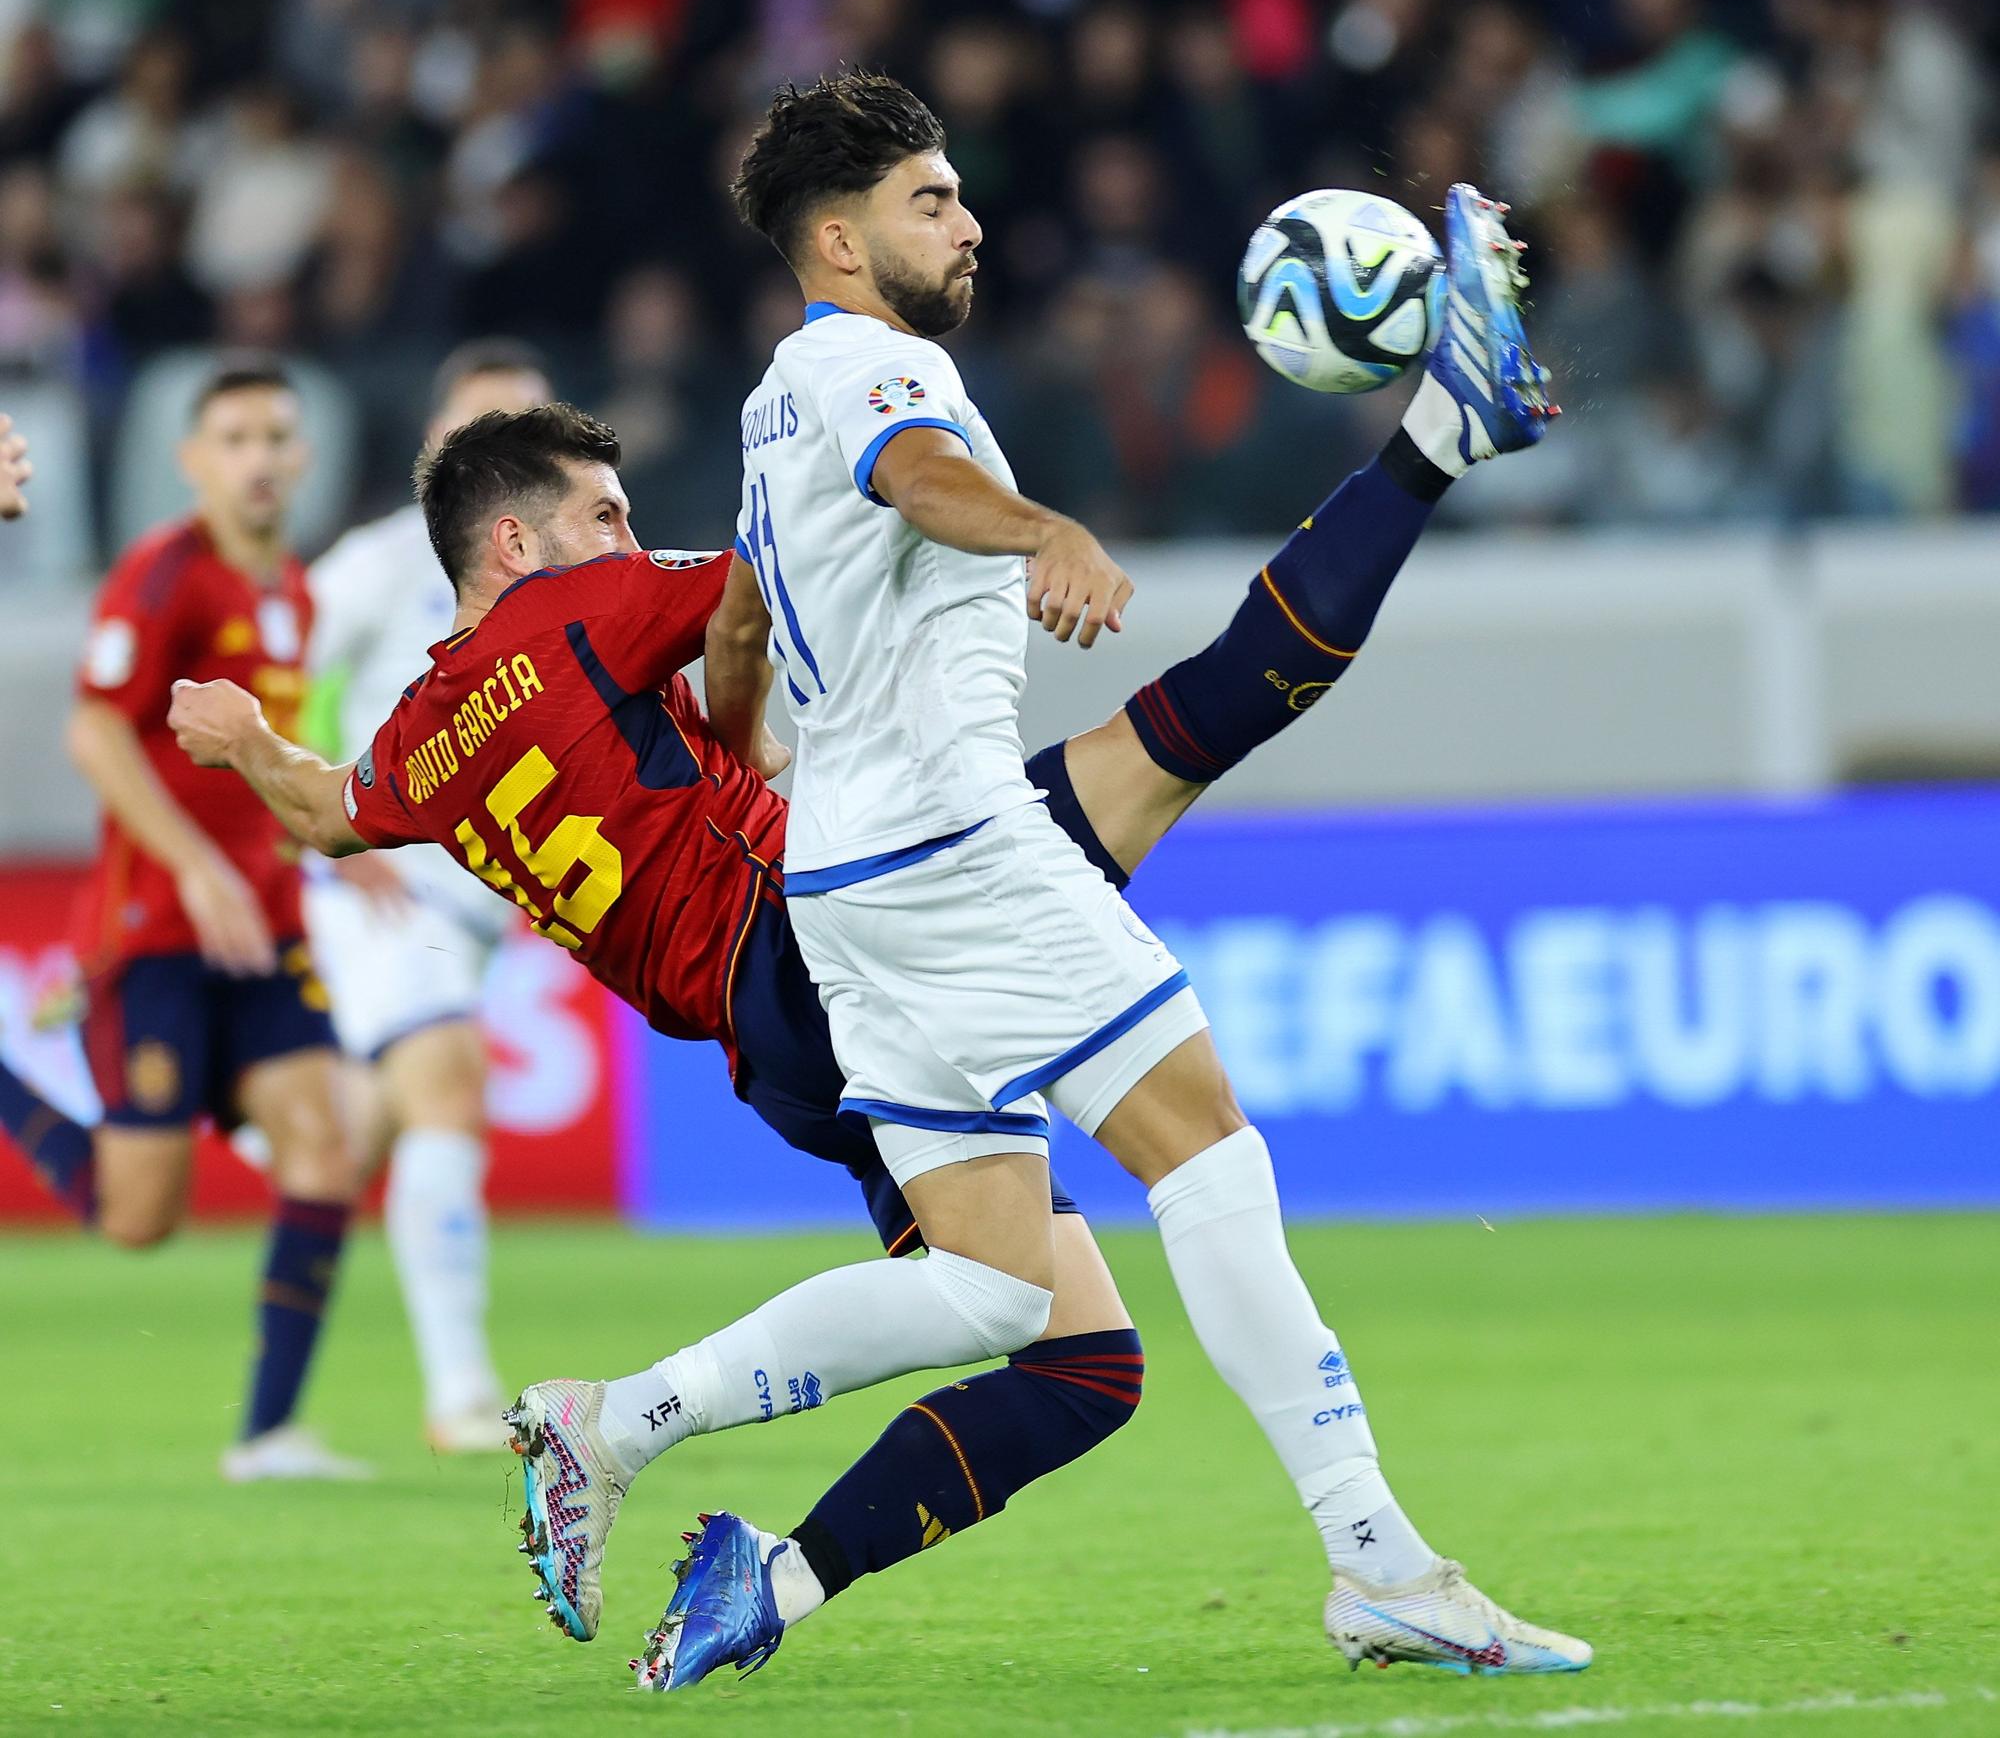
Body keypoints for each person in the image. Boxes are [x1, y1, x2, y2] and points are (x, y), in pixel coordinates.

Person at [166, 153, 1566, 1672]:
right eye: (606, 514)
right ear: (518, 544)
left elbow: (322, 811)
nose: (628, 535)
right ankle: (1368, 1554)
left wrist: (245, 742)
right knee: (1185, 852)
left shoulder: (423, 737)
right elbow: (756, 592)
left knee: (1070, 1346)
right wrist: (783, 685)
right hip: (824, 922)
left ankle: (747, 1557)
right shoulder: (582, 610)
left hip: (779, 1015)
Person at [680, 73, 1584, 1683]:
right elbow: (919, 481)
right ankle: (1378, 1558)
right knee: (1206, 1152)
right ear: (838, 236)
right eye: (929, 200)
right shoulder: (880, 371)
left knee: (982, 1285)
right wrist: (1041, 531)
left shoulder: (773, 405)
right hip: (954, 850)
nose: (966, 222)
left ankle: (637, 1429)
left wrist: (750, 749)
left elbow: (739, 628)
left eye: (958, 194)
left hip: (851, 881)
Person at [0, 361, 367, 1482]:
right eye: (236, 438)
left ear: (300, 458)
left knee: (327, 1144)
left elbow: (260, 756)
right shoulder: (163, 574)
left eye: (274, 435)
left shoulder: (294, 593)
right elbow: (97, 735)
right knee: (136, 1217)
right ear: (194, 460)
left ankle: (267, 1433)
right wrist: (200, 867)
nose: (259, 457)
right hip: (158, 929)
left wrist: (322, 829)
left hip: (264, 931)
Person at [294, 340, 554, 1451]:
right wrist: (329, 827)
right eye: (479, 429)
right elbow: (279, 677)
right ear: (433, 451)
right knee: (447, 1092)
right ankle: (459, 1392)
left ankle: (283, 1142)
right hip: (383, 886)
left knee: (354, 1136)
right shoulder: (376, 561)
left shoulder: (563, 581)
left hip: (472, 903)